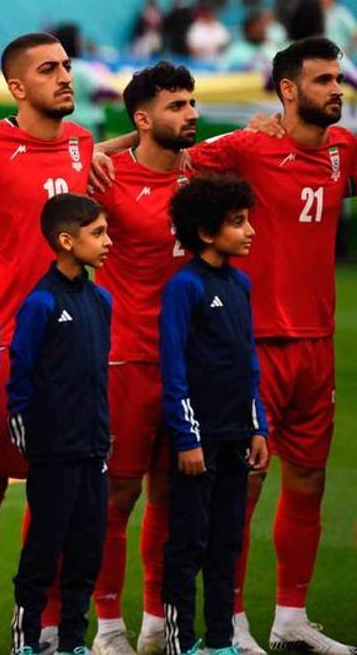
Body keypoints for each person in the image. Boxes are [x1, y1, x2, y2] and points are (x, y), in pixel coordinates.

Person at [93, 36, 357, 655]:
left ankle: (289, 619)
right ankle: (217, 622)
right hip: (243, 345)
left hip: (315, 343)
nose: (337, 90)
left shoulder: (344, 149)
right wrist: (103, 149)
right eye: (323, 81)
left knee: (307, 478)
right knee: (221, 487)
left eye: (337, 79)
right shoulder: (244, 147)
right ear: (289, 90)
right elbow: (149, 149)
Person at [0, 31, 96, 654]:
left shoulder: (85, 143)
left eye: (66, 65)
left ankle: (45, 627)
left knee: (61, 500)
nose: (65, 76)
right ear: (16, 87)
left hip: (68, 360)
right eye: (48, 69)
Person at [89, 61, 197, 655]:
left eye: (191, 103)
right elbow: (57, 164)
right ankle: (108, 627)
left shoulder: (206, 169)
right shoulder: (106, 176)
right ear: (142, 118)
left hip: (192, 362)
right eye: (176, 105)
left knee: (174, 494)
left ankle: (158, 620)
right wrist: (119, 142)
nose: (191, 114)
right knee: (117, 496)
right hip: (126, 358)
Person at [160, 174, 271, 655]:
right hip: (197, 441)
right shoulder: (184, 286)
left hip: (234, 437)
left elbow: (246, 361)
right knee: (188, 546)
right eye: (238, 223)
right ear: (207, 233)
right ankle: (179, 642)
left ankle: (221, 641)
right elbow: (174, 364)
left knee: (227, 544)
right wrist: (187, 438)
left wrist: (258, 426)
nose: (250, 232)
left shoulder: (241, 283)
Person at [7, 194, 112, 655]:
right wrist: (34, 438)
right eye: (98, 234)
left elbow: (96, 373)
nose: (108, 241)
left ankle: (73, 642)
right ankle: (27, 641)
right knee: (42, 551)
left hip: (93, 448)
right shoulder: (41, 303)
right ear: (67, 241)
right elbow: (21, 374)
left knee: (87, 551)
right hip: (54, 450)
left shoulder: (100, 299)